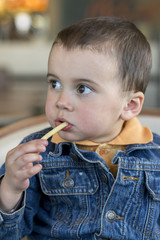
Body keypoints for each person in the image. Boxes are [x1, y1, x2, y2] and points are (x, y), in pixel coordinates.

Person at [0, 16, 159, 240]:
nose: (61, 101)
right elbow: (9, 233)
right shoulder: (36, 154)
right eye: (54, 83)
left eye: (82, 88)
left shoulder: (156, 156)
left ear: (129, 106)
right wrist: (10, 190)